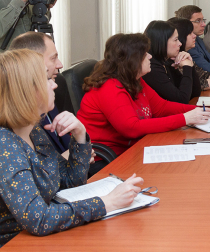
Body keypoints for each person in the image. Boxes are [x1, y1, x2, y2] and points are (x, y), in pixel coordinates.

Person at [0, 49, 143, 245]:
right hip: (17, 244)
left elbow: (71, 184)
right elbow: (39, 219)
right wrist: (107, 202)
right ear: (26, 91)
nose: (54, 84)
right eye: (46, 80)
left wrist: (80, 136)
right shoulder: (5, 145)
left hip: (45, 238)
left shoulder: (34, 131)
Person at [77, 33, 210, 159]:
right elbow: (132, 128)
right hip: (106, 158)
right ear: (132, 60)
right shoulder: (109, 87)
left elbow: (161, 107)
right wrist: (185, 118)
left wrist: (198, 111)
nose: (150, 57)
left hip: (133, 148)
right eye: (144, 54)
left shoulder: (134, 79)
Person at [9, 32, 75, 154]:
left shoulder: (57, 84)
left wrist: (80, 143)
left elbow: (66, 140)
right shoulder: (18, 118)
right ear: (32, 61)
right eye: (53, 58)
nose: (60, 65)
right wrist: (73, 156)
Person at [142, 20, 202, 103]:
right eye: (175, 40)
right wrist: (187, 67)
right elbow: (181, 99)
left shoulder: (167, 62)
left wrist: (189, 64)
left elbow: (195, 93)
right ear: (162, 41)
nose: (180, 43)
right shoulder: (152, 68)